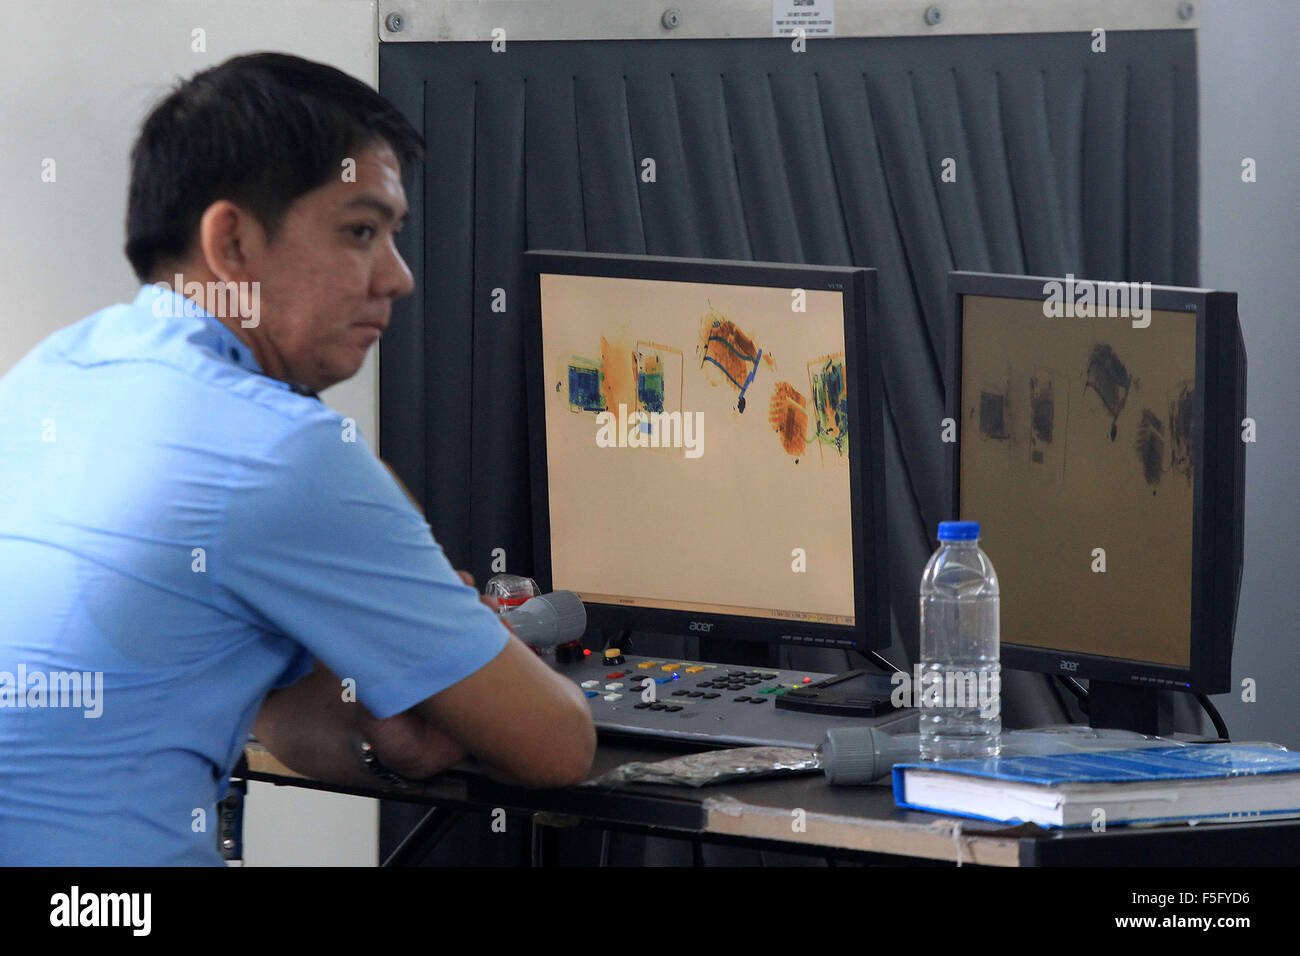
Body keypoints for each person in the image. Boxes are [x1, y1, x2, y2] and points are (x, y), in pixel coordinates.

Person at [0, 52, 594, 866]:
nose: (400, 277)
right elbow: (556, 747)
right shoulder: (285, 452)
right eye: (360, 231)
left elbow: (276, 716)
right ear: (232, 241)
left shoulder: (47, 379)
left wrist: (387, 732)